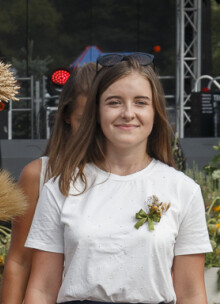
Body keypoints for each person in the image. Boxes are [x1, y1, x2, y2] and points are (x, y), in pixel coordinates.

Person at [24, 53, 212, 303]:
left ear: (155, 111)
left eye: (141, 102)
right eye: (114, 102)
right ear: (96, 111)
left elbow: (191, 293)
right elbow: (42, 290)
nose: (128, 113)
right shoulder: (62, 187)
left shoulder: (183, 190)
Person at [0, 63, 96, 303]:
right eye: (84, 120)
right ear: (66, 117)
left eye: (99, 119)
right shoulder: (39, 174)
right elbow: (19, 260)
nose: (91, 131)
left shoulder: (139, 177)